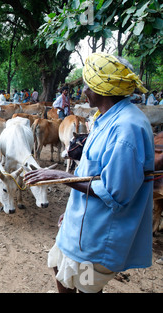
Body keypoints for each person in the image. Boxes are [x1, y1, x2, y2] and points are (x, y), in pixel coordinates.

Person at [24, 52, 153, 293]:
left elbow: (115, 192)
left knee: (83, 287)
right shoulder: (105, 118)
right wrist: (70, 213)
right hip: (81, 221)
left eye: (88, 85)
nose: (84, 90)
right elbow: (90, 170)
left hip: (98, 232)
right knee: (60, 271)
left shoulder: (127, 128)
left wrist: (61, 176)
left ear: (103, 89)